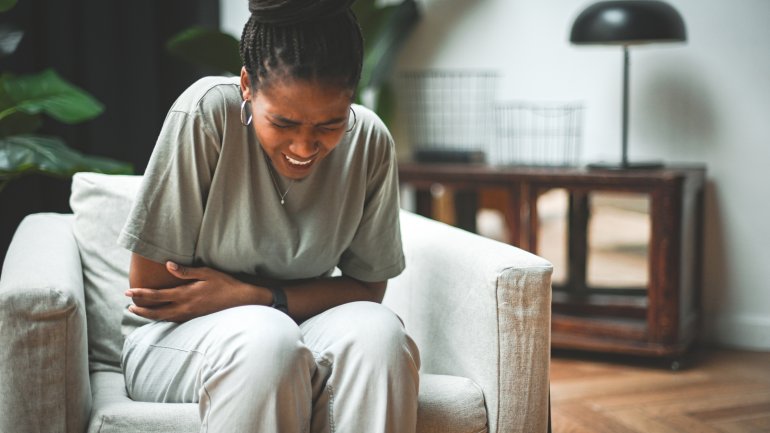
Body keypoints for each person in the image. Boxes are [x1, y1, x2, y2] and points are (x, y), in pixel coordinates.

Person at [116, 0, 420, 431]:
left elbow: (368, 288)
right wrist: (262, 310)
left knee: (381, 335)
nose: (303, 147)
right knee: (266, 341)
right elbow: (151, 290)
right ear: (246, 86)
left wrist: (253, 296)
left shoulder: (368, 141)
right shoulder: (207, 114)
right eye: (283, 123)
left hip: (294, 327)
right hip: (174, 340)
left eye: (329, 125)